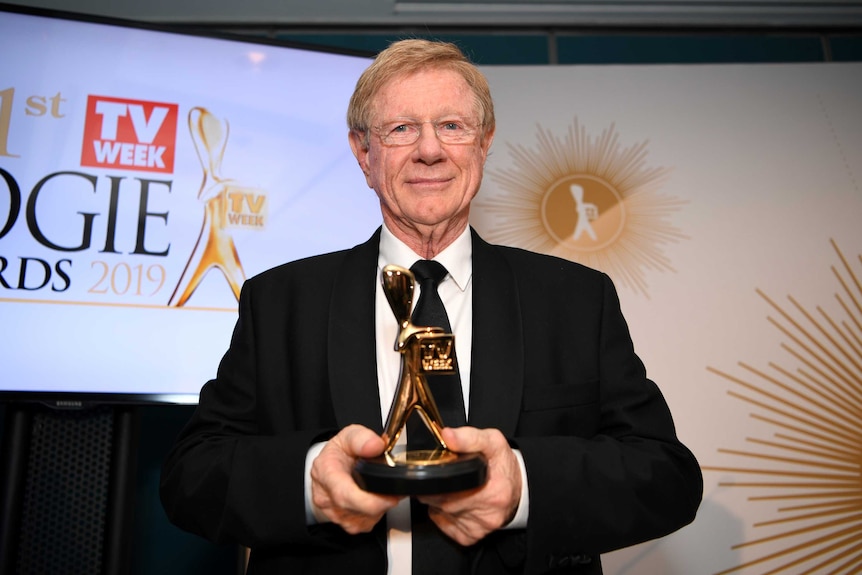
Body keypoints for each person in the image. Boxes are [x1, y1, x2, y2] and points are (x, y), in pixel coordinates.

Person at [160, 39, 702, 575]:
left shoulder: (575, 300)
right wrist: (309, 483)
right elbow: (191, 477)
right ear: (362, 153)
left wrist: (523, 484)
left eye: (452, 126)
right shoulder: (279, 301)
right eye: (400, 129)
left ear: (484, 143)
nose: (429, 150)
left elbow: (668, 476)